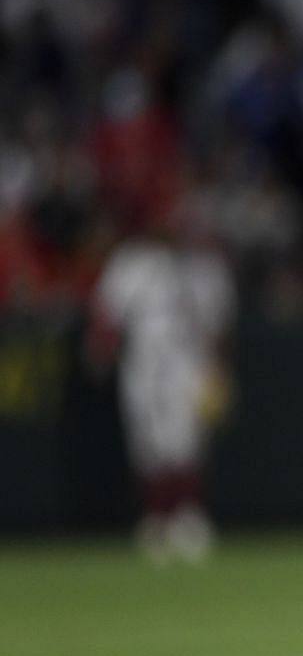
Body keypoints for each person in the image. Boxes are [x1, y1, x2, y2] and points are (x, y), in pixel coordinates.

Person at [88, 185, 236, 563]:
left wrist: (218, 368)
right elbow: (108, 315)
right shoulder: (129, 262)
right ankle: (156, 518)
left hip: (187, 360)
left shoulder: (202, 265)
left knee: (186, 437)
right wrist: (101, 348)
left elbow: (217, 324)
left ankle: (187, 516)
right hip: (142, 361)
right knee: (146, 441)